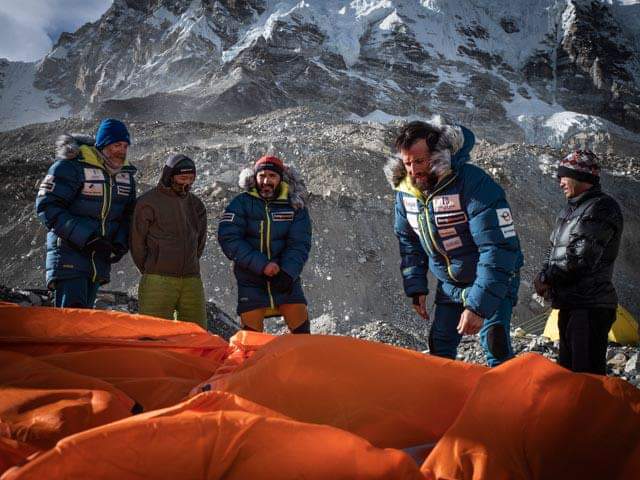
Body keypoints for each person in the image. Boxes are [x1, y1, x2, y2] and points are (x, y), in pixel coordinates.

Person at [386, 119, 523, 367]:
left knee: (495, 345)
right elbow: (409, 244)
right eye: (407, 163)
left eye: (420, 161)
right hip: (450, 285)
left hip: (491, 278)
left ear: (438, 155)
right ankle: (442, 403)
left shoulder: (473, 183)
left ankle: (514, 403)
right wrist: (416, 287)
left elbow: (497, 248)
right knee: (439, 348)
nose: (413, 171)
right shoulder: (406, 194)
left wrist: (478, 307)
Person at [534, 150, 623, 375]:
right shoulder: (570, 210)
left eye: (564, 176)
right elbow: (553, 250)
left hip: (590, 306)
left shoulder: (601, 207)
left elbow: (581, 258)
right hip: (571, 303)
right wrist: (544, 273)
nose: (559, 182)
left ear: (581, 178)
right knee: (569, 376)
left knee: (586, 378)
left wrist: (547, 277)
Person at [35, 118, 136, 308]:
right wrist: (87, 238)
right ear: (103, 144)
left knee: (84, 323)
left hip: (98, 262)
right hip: (68, 258)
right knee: (71, 323)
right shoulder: (71, 166)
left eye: (125, 145)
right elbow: (47, 206)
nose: (121, 151)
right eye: (116, 145)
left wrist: (120, 242)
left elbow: (128, 214)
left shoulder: (126, 176)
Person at [218, 155, 312, 334]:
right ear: (254, 177)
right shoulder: (240, 203)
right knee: (251, 341)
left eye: (272, 176)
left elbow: (300, 243)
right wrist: (262, 265)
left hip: (286, 281)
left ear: (281, 178)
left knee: (302, 334)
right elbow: (229, 238)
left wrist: (287, 272)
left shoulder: (295, 205)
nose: (266, 181)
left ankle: (299, 363)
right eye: (262, 175)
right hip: (251, 281)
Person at [129, 154, 208, 328]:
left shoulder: (196, 204)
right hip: (157, 280)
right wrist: (152, 266)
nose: (186, 183)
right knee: (154, 334)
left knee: (198, 334)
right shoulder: (147, 203)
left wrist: (191, 262)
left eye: (190, 178)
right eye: (182, 178)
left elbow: (200, 241)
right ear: (169, 176)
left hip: (191, 279)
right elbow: (137, 243)